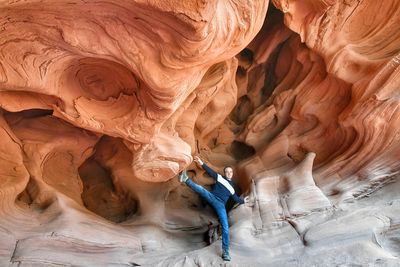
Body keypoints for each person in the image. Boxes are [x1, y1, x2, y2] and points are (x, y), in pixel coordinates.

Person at [179, 156, 249, 261]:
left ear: (232, 173)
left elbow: (235, 198)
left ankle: (225, 252)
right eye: (227, 171)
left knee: (225, 226)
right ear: (225, 173)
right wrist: (201, 163)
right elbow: (210, 172)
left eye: (231, 171)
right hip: (212, 197)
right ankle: (185, 179)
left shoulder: (232, 187)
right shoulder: (220, 178)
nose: (229, 173)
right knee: (201, 189)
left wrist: (244, 201)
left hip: (220, 204)